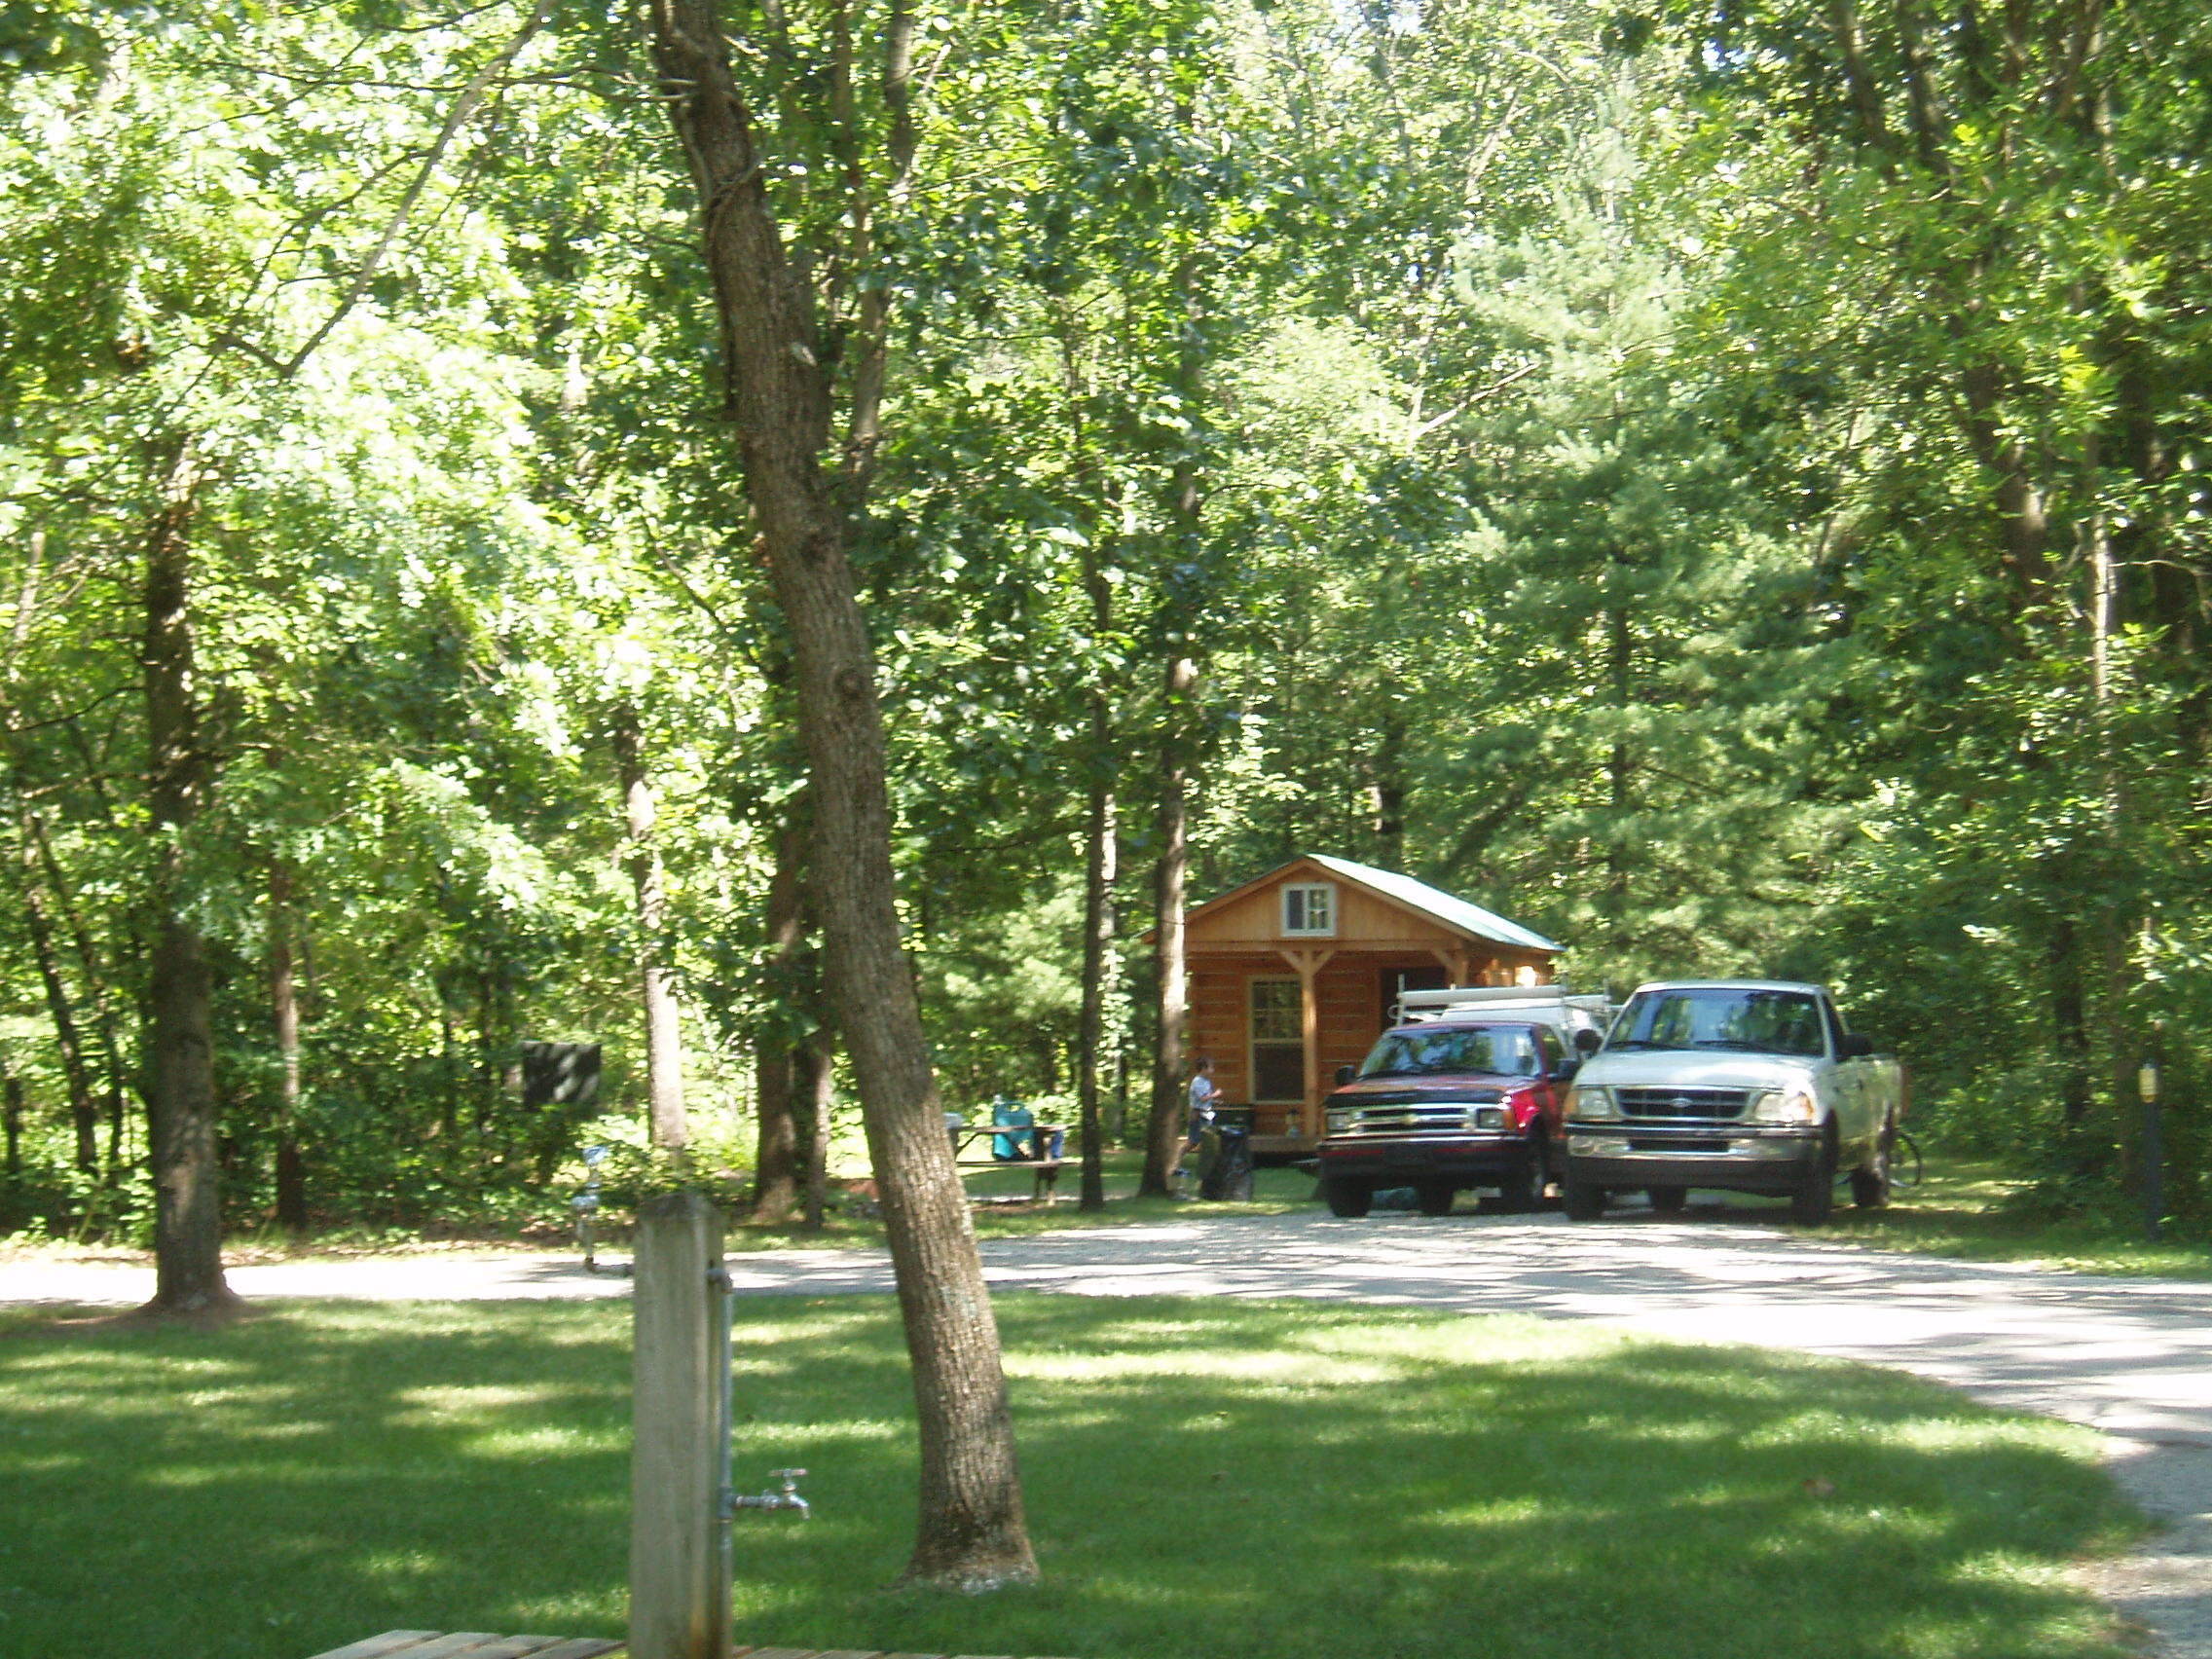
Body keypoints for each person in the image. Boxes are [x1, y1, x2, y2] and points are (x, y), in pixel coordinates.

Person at [1178, 1058, 1220, 1195]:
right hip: (1198, 1115)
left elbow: (1206, 1099)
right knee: (1193, 1141)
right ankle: (1175, 1160)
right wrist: (1215, 1095)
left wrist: (1214, 1101)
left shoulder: (1207, 1081)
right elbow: (1202, 1098)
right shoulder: (1197, 1081)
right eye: (1210, 1068)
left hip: (1207, 1114)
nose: (1212, 1070)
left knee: (1208, 1141)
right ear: (1203, 1068)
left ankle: (1208, 1168)